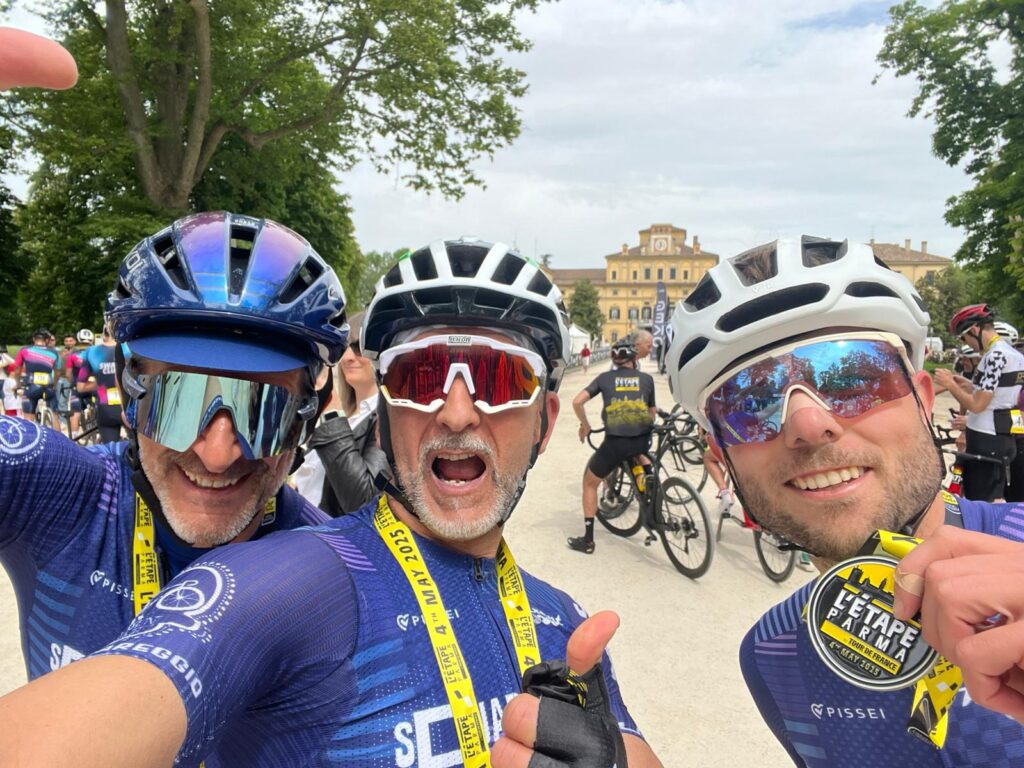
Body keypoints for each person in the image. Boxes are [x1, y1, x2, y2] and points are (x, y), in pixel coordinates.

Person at [0, 238, 661, 767]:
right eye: (420, 376)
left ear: (547, 421)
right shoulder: (289, 580)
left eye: (499, 378)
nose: (458, 413)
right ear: (386, 415)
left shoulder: (567, 625)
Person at [665, 236, 1024, 766]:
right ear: (722, 455)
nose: (809, 425)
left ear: (923, 400)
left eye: (854, 378)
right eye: (751, 402)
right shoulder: (773, 654)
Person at [0, 211, 341, 682]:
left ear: (306, 418)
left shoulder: (335, 574)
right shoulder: (55, 492)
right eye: (177, 403)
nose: (217, 455)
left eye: (262, 414)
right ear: (129, 393)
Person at [294, 310, 388, 515]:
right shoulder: (349, 419)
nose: (348, 358)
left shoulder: (388, 418)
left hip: (335, 534)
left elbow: (365, 501)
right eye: (344, 348)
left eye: (358, 348)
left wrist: (332, 414)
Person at [569, 338, 656, 554]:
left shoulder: (605, 378)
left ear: (614, 358)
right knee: (640, 453)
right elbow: (652, 413)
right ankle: (649, 480)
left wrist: (585, 426)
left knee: (590, 484)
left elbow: (577, 401)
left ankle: (588, 540)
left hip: (616, 442)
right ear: (634, 358)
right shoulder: (646, 379)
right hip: (641, 440)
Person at [935, 304, 1024, 501]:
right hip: (1002, 437)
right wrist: (967, 384)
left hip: (985, 437)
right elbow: (998, 395)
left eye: (963, 337)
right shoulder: (1014, 355)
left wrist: (950, 384)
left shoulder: (995, 356)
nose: (965, 343)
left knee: (980, 502)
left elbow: (977, 405)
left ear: (974, 330)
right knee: (993, 500)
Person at [75, 325, 123, 443]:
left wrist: (101, 383)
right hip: (128, 407)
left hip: (105, 407)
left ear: (103, 334)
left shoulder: (92, 352)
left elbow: (80, 387)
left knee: (111, 449)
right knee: (140, 449)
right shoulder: (129, 348)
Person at [12, 328, 60, 423]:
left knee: (28, 416)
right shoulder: (54, 353)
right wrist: (54, 385)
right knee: (55, 415)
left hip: (31, 385)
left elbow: (17, 370)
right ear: (47, 340)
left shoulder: (24, 350)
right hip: (48, 386)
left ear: (34, 339)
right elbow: (58, 372)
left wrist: (17, 384)